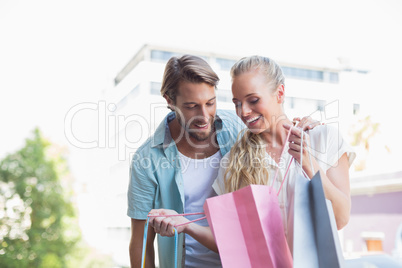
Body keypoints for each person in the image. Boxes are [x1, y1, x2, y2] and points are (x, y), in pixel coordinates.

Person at [149, 55, 355, 257]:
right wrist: (185, 225)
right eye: (237, 103)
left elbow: (340, 218)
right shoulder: (233, 162)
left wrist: (310, 165)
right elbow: (231, 242)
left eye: (253, 100)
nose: (244, 111)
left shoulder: (324, 139)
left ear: (280, 93)